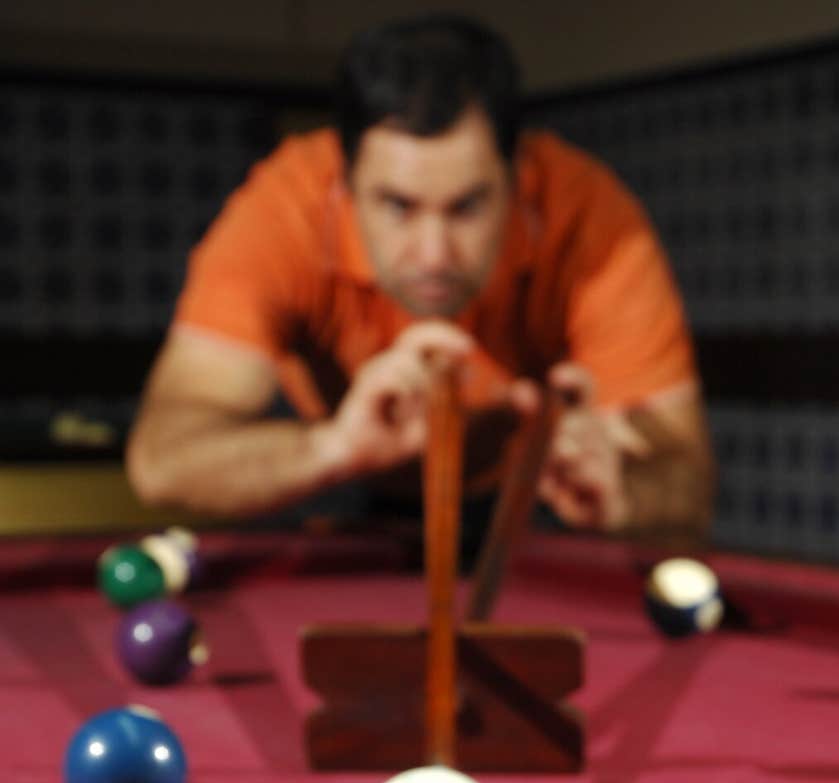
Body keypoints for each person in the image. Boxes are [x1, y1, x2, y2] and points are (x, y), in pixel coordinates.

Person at [125, 13, 715, 546]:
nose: (434, 255)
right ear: (345, 185)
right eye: (398, 206)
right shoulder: (282, 211)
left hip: (521, 504)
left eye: (467, 207)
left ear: (517, 178)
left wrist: (622, 490)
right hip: (331, 485)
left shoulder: (593, 221)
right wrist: (335, 447)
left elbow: (686, 483)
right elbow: (163, 460)